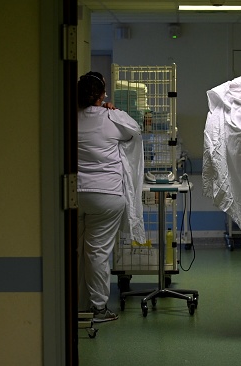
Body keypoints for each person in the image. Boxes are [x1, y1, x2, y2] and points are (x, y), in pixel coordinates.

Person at [77, 71, 142, 322]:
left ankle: (77, 303)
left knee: (76, 251)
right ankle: (97, 307)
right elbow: (133, 133)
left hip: (73, 195)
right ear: (102, 95)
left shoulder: (67, 117)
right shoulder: (112, 117)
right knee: (97, 253)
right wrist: (111, 110)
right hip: (107, 195)